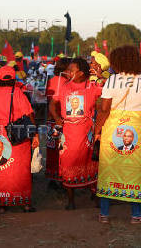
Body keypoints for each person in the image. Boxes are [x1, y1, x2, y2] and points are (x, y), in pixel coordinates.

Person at [94, 46, 141, 224]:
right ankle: (136, 215)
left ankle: (104, 214)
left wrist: (96, 131)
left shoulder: (112, 81)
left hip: (113, 128)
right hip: (139, 128)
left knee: (108, 167)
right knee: (137, 170)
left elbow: (104, 109)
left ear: (117, 61)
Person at [49, 58, 101, 210]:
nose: (68, 72)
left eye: (72, 70)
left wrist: (99, 76)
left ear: (81, 72)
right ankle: (71, 201)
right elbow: (52, 104)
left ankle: (97, 196)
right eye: (68, 70)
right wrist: (57, 118)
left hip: (86, 133)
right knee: (67, 163)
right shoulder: (63, 86)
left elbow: (106, 98)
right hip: (68, 133)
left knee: (92, 163)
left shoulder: (92, 86)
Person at [0, 66, 39, 213]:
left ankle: (2, 203)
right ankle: (25, 203)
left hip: (0, 133)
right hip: (19, 133)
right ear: (13, 79)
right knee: (21, 169)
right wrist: (34, 133)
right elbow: (29, 114)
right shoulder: (17, 92)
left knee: (1, 168)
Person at [45, 58, 70, 182]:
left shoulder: (51, 80)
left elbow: (48, 99)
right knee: (62, 150)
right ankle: (60, 177)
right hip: (59, 119)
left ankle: (52, 178)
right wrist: (58, 118)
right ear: (65, 69)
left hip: (51, 120)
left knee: (52, 151)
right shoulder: (65, 82)